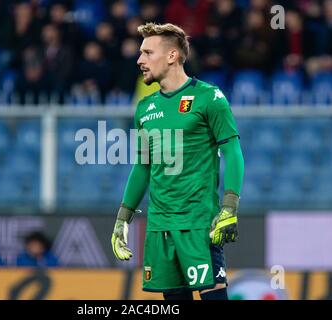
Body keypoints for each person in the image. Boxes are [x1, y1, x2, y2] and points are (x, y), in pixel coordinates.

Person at [111, 23, 244, 300]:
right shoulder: (145, 108)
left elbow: (233, 152)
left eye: (147, 53)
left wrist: (229, 206)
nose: (139, 60)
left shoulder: (209, 97)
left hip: (199, 224)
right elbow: (143, 167)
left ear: (172, 56)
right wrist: (123, 218)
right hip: (159, 226)